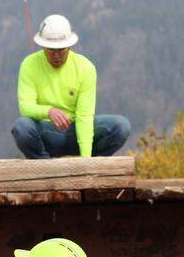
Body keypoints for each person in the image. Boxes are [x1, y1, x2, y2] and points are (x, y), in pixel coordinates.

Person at [11, 14, 131, 159]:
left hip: (75, 131)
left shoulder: (85, 68)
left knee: (121, 127)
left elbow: (84, 117)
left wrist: (85, 162)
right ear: (42, 46)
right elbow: (26, 107)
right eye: (50, 49)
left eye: (61, 49)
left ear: (69, 46)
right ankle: (45, 169)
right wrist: (49, 111)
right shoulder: (29, 64)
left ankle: (93, 165)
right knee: (22, 127)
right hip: (46, 132)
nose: (56, 55)